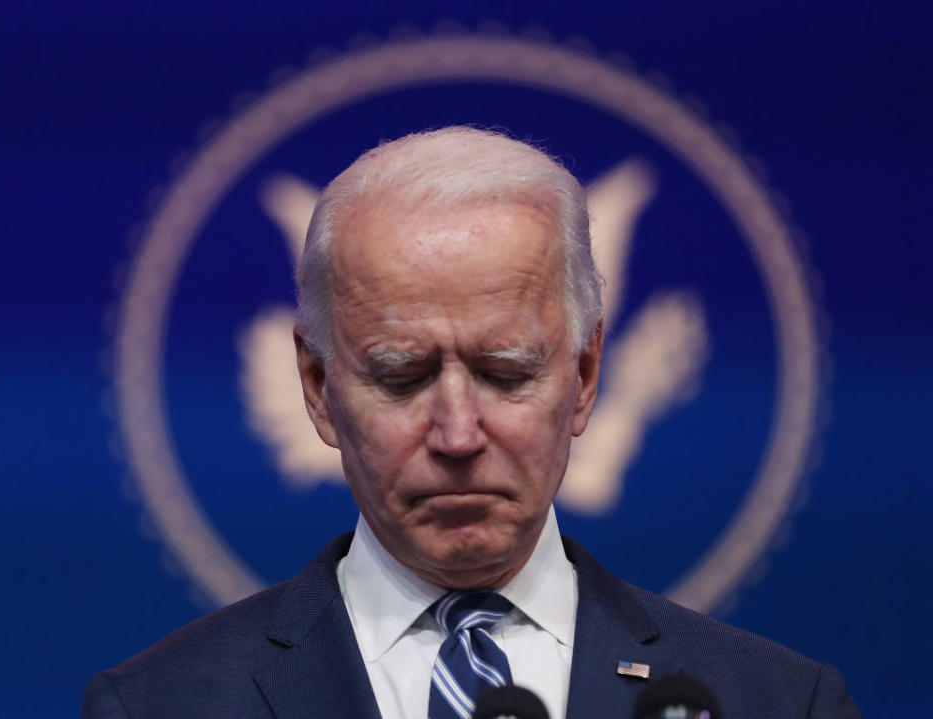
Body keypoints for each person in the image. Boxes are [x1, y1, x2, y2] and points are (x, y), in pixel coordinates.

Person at [82, 127, 860, 719]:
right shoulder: (161, 703)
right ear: (318, 386)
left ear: (585, 375)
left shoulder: (779, 701)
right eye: (401, 375)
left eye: (506, 372)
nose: (458, 434)